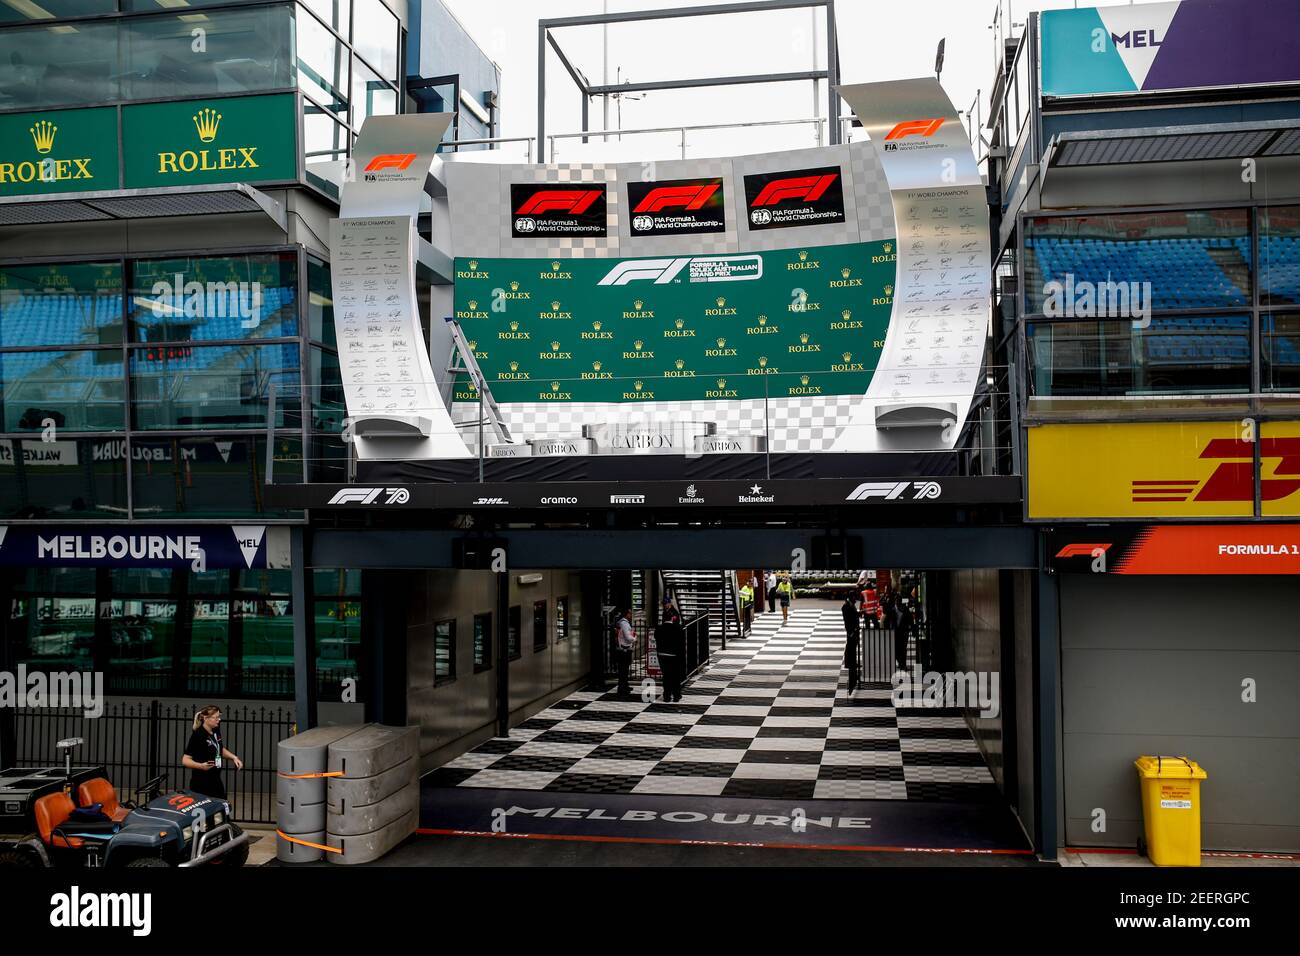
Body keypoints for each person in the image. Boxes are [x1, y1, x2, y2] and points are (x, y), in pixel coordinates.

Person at [182, 705, 242, 800]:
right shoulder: (198, 735)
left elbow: (219, 748)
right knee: (207, 813)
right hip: (201, 783)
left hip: (216, 780)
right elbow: (185, 760)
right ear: (206, 718)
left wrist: (234, 757)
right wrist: (201, 766)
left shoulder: (215, 730)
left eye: (219, 716)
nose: (219, 719)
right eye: (216, 717)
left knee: (222, 809)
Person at [654, 609, 685, 703]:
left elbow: (656, 638)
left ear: (663, 618)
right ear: (672, 618)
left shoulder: (659, 629)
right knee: (675, 675)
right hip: (674, 655)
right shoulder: (677, 628)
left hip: (662, 655)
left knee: (666, 675)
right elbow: (681, 643)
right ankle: (676, 695)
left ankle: (667, 696)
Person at [841, 593, 861, 693]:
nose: (856, 600)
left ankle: (851, 662)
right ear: (851, 598)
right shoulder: (846, 606)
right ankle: (850, 663)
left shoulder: (850, 605)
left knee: (852, 646)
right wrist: (851, 631)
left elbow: (853, 616)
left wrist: (858, 613)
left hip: (854, 631)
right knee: (851, 647)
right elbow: (848, 620)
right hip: (851, 631)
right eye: (854, 597)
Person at [614, 607, 635, 696]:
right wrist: (634, 638)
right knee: (624, 669)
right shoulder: (624, 624)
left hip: (622, 649)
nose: (631, 615)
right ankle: (622, 688)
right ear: (626, 614)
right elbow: (628, 637)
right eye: (630, 613)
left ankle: (624, 685)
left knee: (624, 669)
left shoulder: (622, 623)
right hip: (624, 650)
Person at [894, 590, 915, 675]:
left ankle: (903, 664)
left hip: (903, 632)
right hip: (894, 632)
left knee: (903, 649)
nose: (898, 602)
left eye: (899, 600)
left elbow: (911, 620)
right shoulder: (892, 609)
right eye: (897, 600)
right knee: (896, 649)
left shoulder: (905, 609)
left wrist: (913, 630)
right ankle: (900, 663)